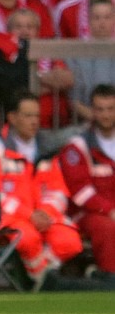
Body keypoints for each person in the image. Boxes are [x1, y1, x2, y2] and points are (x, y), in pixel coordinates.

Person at [0, 91, 82, 288]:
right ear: (12, 118)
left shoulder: (46, 149)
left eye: (37, 116)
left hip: (43, 218)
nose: (34, 121)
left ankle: (40, 280)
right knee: (27, 238)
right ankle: (44, 283)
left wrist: (45, 213)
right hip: (7, 219)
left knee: (70, 241)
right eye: (28, 116)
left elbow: (58, 191)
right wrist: (30, 215)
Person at [58, 84, 115, 283]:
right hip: (88, 213)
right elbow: (80, 191)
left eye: (110, 109)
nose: (105, 115)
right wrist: (110, 210)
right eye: (100, 109)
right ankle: (110, 279)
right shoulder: (77, 146)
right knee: (107, 228)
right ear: (92, 111)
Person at [68, 0, 115, 122]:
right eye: (97, 18)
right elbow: (73, 101)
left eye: (107, 17)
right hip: (86, 123)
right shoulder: (74, 55)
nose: (102, 23)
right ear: (89, 21)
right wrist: (97, 118)